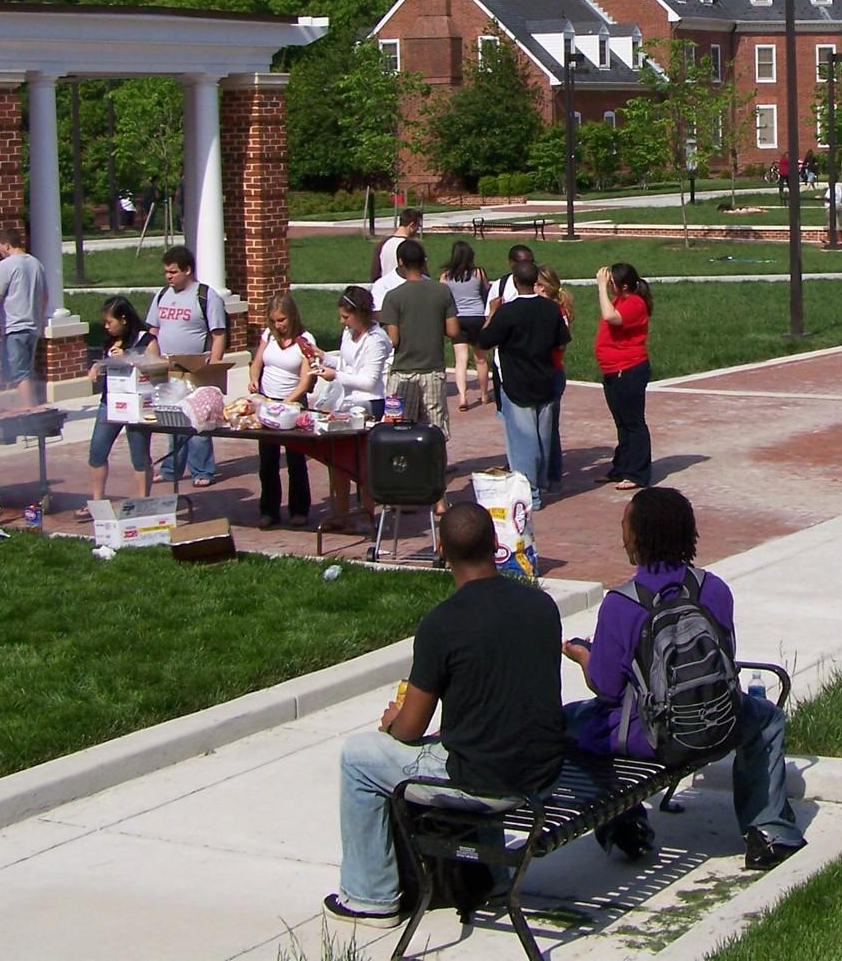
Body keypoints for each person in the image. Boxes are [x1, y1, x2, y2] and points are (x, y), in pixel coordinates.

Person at [326, 501, 568, 932]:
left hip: (487, 781)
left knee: (359, 757)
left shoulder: (442, 624)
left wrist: (392, 721)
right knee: (477, 738)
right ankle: (493, 880)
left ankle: (371, 897)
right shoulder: (542, 606)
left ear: (441, 550)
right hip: (541, 773)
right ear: (495, 545)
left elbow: (410, 729)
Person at [562, 487, 804, 871]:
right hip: (722, 723)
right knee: (768, 719)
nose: (621, 531)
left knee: (568, 725)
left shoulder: (621, 604)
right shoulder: (714, 588)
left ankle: (624, 824)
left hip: (654, 737)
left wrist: (582, 656)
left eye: (624, 524)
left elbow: (606, 688)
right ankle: (769, 831)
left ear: (638, 536)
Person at [473, 260, 571, 508]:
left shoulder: (508, 312)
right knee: (544, 437)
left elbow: (484, 341)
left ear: (515, 283)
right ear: (535, 281)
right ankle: (543, 481)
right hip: (546, 379)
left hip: (517, 383)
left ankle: (532, 494)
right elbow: (561, 342)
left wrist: (493, 312)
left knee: (523, 442)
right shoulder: (551, 309)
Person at [146, 244, 229, 488]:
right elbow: (153, 330)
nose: (168, 277)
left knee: (198, 420)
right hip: (168, 369)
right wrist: (153, 361)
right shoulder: (162, 295)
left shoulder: (206, 295)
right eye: (166, 272)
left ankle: (202, 470)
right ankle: (171, 468)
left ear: (187, 270)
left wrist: (213, 366)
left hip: (197, 368)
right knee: (172, 419)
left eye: (173, 272)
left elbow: (218, 333)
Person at [315, 285, 387, 526]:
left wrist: (334, 375)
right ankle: (342, 514)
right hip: (345, 402)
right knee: (337, 461)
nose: (342, 322)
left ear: (360, 314)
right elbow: (346, 365)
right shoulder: (349, 334)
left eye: (346, 317)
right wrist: (323, 356)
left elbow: (368, 381)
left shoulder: (376, 340)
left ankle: (367, 514)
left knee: (363, 464)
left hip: (369, 404)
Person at [80, 296, 154, 516]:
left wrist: (130, 357)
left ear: (123, 319)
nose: (106, 326)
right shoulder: (109, 342)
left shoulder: (146, 339)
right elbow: (105, 362)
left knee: (139, 456)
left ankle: (143, 501)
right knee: (97, 451)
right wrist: (97, 367)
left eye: (109, 322)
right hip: (110, 402)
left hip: (137, 404)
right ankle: (97, 500)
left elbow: (157, 367)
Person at [251, 292, 320, 528]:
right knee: (267, 461)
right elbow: (257, 363)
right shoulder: (268, 337)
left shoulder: (305, 340)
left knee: (296, 460)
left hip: (292, 404)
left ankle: (299, 509)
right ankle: (269, 510)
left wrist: (287, 401)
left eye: (282, 320)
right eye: (274, 321)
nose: (278, 325)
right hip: (268, 401)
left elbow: (305, 380)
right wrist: (253, 380)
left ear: (291, 316)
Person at [379, 238, 459, 431]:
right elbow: (453, 331)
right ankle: (435, 462)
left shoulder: (393, 296)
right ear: (424, 261)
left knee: (398, 427)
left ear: (400, 262)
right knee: (435, 428)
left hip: (403, 372)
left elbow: (394, 339)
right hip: (433, 369)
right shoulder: (441, 291)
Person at [595, 263, 653, 491]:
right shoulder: (621, 300)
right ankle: (621, 468)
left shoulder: (635, 304)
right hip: (612, 369)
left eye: (612, 284)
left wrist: (600, 287)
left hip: (629, 369)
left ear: (625, 285)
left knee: (633, 423)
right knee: (621, 423)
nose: (609, 287)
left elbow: (611, 318)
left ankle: (638, 473)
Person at [0, 225, 46, 407]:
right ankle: (33, 405)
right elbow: (45, 296)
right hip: (33, 325)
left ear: (6, 245)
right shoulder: (36, 263)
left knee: (20, 373)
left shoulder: (7, 265)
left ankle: (29, 409)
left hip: (15, 326)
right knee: (28, 371)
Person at [481, 241, 538, 409]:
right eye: (522, 262)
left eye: (531, 262)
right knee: (506, 412)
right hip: (505, 360)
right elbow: (488, 325)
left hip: (533, 355)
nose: (527, 266)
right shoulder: (500, 286)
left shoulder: (538, 284)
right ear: (511, 263)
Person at [535, 265, 573, 494]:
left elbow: (560, 342)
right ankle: (550, 472)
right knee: (547, 426)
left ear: (546, 286)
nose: (534, 289)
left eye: (538, 285)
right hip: (548, 370)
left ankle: (550, 473)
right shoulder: (549, 309)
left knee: (548, 427)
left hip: (552, 371)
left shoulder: (556, 311)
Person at [440, 240, 490, 411]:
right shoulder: (478, 273)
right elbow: (487, 291)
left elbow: (441, 295)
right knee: (480, 358)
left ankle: (462, 397)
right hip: (477, 317)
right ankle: (484, 394)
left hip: (457, 319)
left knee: (460, 360)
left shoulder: (446, 275)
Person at [375, 208, 425, 283]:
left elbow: (375, 273)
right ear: (412, 225)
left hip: (386, 288)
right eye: (418, 226)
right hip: (407, 290)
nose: (417, 229)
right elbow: (422, 271)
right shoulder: (413, 246)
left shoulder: (382, 244)